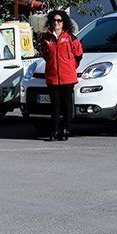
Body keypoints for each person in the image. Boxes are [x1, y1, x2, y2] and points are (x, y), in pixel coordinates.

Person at [40, 10, 83, 141]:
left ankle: (65, 129)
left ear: (64, 22)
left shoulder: (70, 37)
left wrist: (70, 66)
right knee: (55, 105)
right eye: (54, 20)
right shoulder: (46, 38)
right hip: (53, 77)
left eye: (59, 20)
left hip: (67, 77)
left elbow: (79, 54)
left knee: (66, 105)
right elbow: (45, 54)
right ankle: (55, 130)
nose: (56, 23)